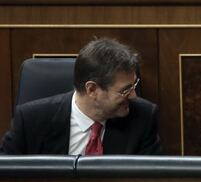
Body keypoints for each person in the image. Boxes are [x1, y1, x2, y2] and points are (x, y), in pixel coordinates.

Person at [0, 38, 161, 155]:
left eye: (134, 86)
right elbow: (7, 175)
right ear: (92, 90)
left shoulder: (143, 118)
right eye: (125, 90)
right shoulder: (31, 121)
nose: (133, 96)